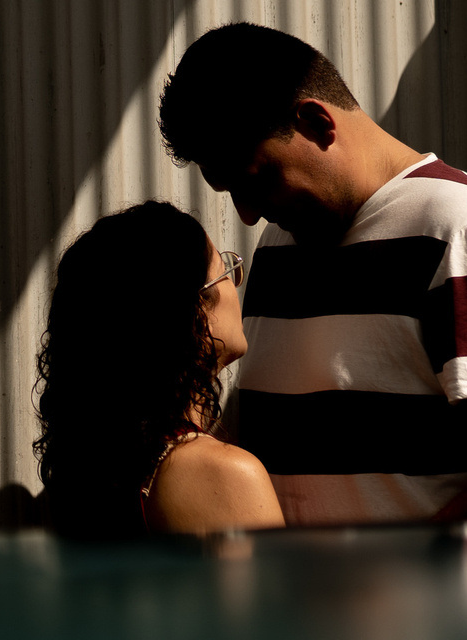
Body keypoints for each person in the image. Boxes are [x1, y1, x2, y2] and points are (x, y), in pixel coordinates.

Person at [157, 22, 467, 526]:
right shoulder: (281, 244)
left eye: (257, 181)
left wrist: (399, 570)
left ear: (318, 123)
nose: (248, 214)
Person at [34, 201, 284, 539]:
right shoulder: (223, 474)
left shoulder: (93, 465)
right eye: (224, 271)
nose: (234, 285)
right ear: (194, 307)